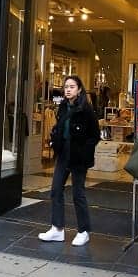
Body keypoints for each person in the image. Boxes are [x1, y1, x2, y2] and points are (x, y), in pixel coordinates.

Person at [38, 75, 100, 246]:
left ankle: (83, 231)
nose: (68, 90)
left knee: (78, 193)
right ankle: (57, 229)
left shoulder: (86, 109)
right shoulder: (63, 107)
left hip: (78, 156)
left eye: (72, 87)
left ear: (79, 90)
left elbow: (95, 135)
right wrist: (55, 140)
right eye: (66, 87)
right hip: (63, 153)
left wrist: (85, 152)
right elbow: (59, 128)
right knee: (56, 189)